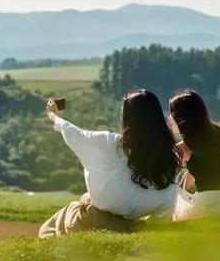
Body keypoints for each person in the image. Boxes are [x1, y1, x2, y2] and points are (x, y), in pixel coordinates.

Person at [39, 88, 181, 238]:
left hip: (96, 220)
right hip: (131, 224)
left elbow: (74, 133)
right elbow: (167, 208)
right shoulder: (169, 159)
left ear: (127, 118)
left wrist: (53, 115)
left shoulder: (110, 144)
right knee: (85, 198)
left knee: (48, 229)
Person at [169, 89, 220, 221]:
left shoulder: (183, 147)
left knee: (171, 191)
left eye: (172, 114)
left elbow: (166, 177)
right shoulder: (219, 133)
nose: (170, 118)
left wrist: (178, 194)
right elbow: (200, 169)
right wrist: (182, 191)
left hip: (209, 207)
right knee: (179, 192)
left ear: (180, 117)